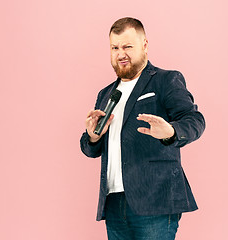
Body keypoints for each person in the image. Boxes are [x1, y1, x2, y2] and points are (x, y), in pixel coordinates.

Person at [80, 17, 205, 240]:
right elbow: (91, 150)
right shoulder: (106, 94)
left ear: (144, 45)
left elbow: (194, 120)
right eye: (115, 47)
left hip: (155, 200)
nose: (121, 54)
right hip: (114, 203)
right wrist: (92, 136)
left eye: (128, 46)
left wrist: (171, 132)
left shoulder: (165, 80)